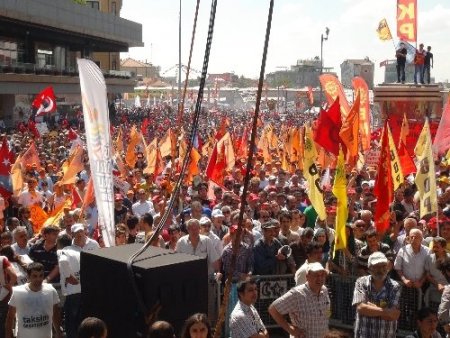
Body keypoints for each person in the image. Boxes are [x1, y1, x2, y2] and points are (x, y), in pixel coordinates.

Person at [268, 262, 330, 338]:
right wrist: (291, 330)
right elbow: (273, 309)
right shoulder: (297, 294)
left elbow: (326, 312)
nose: (320, 278)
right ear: (307, 277)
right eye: (316, 275)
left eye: (322, 275)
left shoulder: (324, 290)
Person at [6, 262, 62, 338]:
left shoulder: (51, 290)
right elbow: (10, 317)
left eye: (41, 276)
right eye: (34, 276)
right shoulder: (18, 292)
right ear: (28, 276)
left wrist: (58, 332)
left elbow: (55, 313)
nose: (38, 279)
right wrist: (8, 335)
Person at [352, 252, 401, 338]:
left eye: (383, 266)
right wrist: (386, 311)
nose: (381, 270)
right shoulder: (361, 282)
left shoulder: (395, 286)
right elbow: (361, 308)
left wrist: (371, 308)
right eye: (377, 266)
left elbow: (394, 315)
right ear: (369, 268)